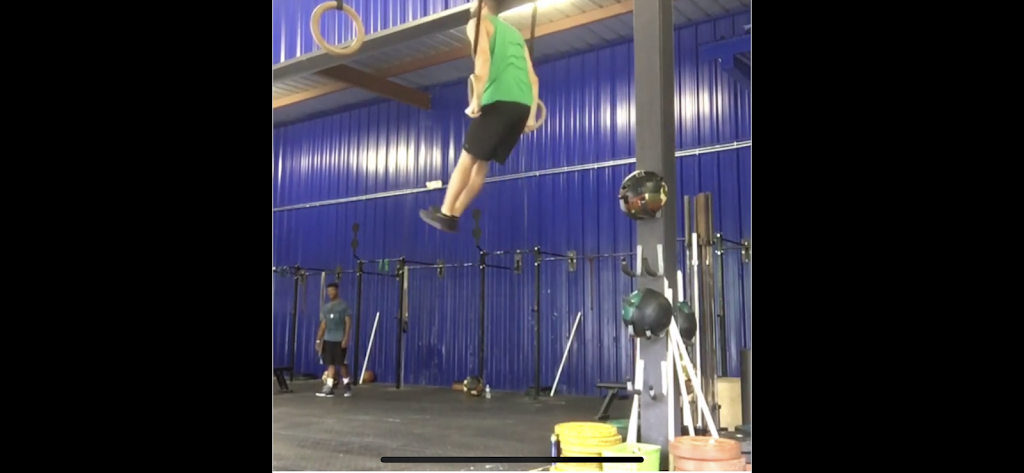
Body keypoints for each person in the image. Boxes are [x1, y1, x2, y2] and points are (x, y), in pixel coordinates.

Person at [420, 0, 540, 232]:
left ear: (482, 4)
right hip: (522, 106)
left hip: (498, 101)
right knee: (481, 164)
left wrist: (476, 99)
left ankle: (445, 211)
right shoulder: (515, 34)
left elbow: (483, 59)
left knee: (467, 159)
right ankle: (454, 214)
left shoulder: (478, 23)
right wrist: (531, 116)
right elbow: (533, 79)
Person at [314, 283, 352, 397]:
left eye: (332, 290)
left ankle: (347, 385)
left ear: (337, 291)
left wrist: (346, 338)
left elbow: (348, 322)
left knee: (341, 363)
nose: (330, 293)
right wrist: (318, 340)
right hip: (328, 339)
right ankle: (329, 388)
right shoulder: (326, 308)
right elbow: (323, 325)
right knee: (330, 363)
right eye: (328, 291)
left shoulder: (343, 306)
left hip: (339, 339)